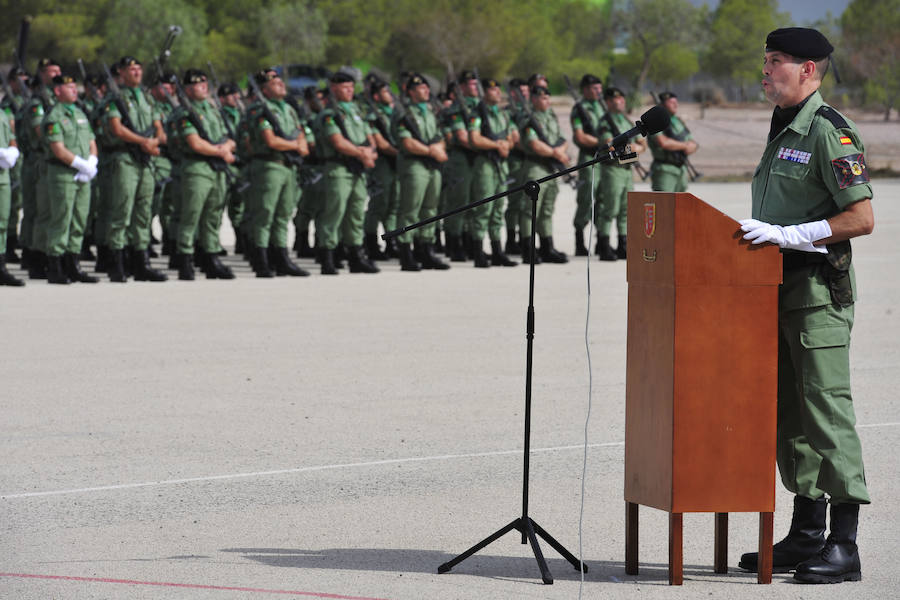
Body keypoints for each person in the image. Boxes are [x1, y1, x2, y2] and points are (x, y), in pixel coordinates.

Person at [736, 27, 874, 585]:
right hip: (779, 293)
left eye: (776, 62)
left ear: (809, 70)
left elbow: (861, 218)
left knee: (825, 412)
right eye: (765, 60)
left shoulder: (828, 132)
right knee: (790, 419)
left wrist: (793, 234)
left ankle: (845, 544)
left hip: (818, 297)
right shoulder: (781, 129)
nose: (765, 71)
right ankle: (807, 530)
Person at [103, 56, 166, 282]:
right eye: (132, 69)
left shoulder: (148, 99)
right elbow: (117, 129)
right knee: (122, 210)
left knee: (143, 212)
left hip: (146, 160)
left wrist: (154, 143)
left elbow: (159, 128)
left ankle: (141, 263)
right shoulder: (115, 98)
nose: (137, 72)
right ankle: (117, 263)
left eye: (139, 68)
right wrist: (142, 141)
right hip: (125, 159)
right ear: (121, 73)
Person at [174, 69, 237, 280]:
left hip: (217, 169)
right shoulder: (185, 113)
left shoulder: (213, 110)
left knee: (213, 215)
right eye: (195, 85)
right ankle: (185, 258)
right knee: (191, 215)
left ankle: (210, 258)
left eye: (203, 83)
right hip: (197, 168)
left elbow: (229, 136)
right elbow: (194, 142)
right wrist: (221, 151)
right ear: (187, 89)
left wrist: (226, 148)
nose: (202, 87)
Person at [246, 68, 310, 277]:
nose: (280, 84)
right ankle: (261, 259)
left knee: (283, 214)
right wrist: (295, 145)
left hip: (288, 167)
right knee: (265, 214)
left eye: (280, 81)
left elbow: (300, 132)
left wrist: (299, 144)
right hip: (269, 165)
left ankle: (281, 257)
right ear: (264, 89)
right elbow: (270, 140)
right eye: (274, 83)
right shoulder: (259, 110)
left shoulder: (288, 109)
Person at [314, 71, 378, 275]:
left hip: (358, 168)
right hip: (339, 167)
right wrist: (363, 153)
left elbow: (370, 137)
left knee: (356, 213)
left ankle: (356, 257)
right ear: (333, 88)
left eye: (351, 86)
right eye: (344, 87)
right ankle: (328, 256)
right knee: (334, 212)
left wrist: (370, 152)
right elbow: (338, 142)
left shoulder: (356, 111)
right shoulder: (330, 114)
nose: (350, 90)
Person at [40, 74, 100, 284]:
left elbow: (92, 140)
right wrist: (81, 164)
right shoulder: (53, 116)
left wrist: (92, 161)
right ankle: (55, 265)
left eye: (75, 86)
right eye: (70, 87)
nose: (75, 90)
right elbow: (58, 149)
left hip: (83, 174)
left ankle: (73, 263)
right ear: (57, 91)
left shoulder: (80, 113)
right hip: (63, 173)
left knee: (79, 218)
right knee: (61, 218)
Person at [392, 72, 448, 271]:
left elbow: (439, 135)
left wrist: (438, 148)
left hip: (433, 165)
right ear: (411, 92)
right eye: (421, 88)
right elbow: (407, 142)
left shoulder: (431, 112)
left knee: (430, 209)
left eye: (426, 87)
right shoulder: (404, 114)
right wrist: (431, 151)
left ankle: (426, 250)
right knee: (410, 210)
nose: (426, 91)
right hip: (414, 164)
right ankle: (406, 252)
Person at [467, 77, 516, 267]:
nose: (497, 93)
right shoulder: (477, 112)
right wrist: (497, 145)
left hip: (501, 164)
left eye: (498, 90)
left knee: (497, 209)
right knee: (483, 208)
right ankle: (478, 252)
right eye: (492, 90)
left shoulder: (503, 114)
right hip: (485, 164)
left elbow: (511, 136)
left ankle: (497, 251)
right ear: (485, 93)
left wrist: (506, 145)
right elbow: (474, 139)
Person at [517, 84, 569, 264]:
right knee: (530, 211)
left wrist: (560, 152)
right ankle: (528, 249)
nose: (546, 100)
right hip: (536, 166)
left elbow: (563, 139)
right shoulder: (528, 118)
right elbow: (533, 143)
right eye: (542, 97)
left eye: (547, 97)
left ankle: (547, 247)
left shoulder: (551, 117)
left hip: (551, 168)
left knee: (547, 209)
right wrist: (556, 153)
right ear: (533, 99)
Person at [595, 87, 646, 261]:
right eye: (617, 99)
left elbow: (641, 144)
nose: (621, 101)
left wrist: (632, 148)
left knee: (626, 209)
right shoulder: (605, 122)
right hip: (613, 170)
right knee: (610, 208)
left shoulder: (625, 119)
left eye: (622, 98)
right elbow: (609, 145)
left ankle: (623, 244)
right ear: (608, 102)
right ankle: (604, 244)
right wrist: (633, 148)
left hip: (626, 169)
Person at [363, 79, 400, 261]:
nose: (390, 94)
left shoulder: (396, 113)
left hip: (397, 163)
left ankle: (391, 242)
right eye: (386, 91)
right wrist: (402, 153)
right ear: (377, 96)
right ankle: (370, 242)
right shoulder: (373, 116)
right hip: (383, 165)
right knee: (379, 205)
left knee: (394, 204)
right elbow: (381, 143)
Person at [570, 73, 607, 256]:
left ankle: (602, 240)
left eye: (600, 88)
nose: (598, 91)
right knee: (586, 199)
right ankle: (579, 240)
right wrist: (602, 141)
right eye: (594, 88)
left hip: (606, 159)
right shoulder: (579, 109)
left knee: (603, 200)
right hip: (589, 158)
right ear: (585, 90)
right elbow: (580, 136)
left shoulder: (604, 106)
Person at [647, 91, 698, 192]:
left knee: (681, 206)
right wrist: (685, 146)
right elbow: (663, 142)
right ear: (662, 105)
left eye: (676, 102)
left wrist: (691, 146)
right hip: (665, 170)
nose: (676, 104)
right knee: (664, 205)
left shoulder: (677, 121)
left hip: (681, 169)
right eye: (671, 102)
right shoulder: (655, 122)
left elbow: (692, 142)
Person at [0, 92, 22, 285]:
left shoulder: (3, 114)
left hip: (2, 175)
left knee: (2, 221)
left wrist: (12, 150)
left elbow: (11, 137)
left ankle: (1, 267)